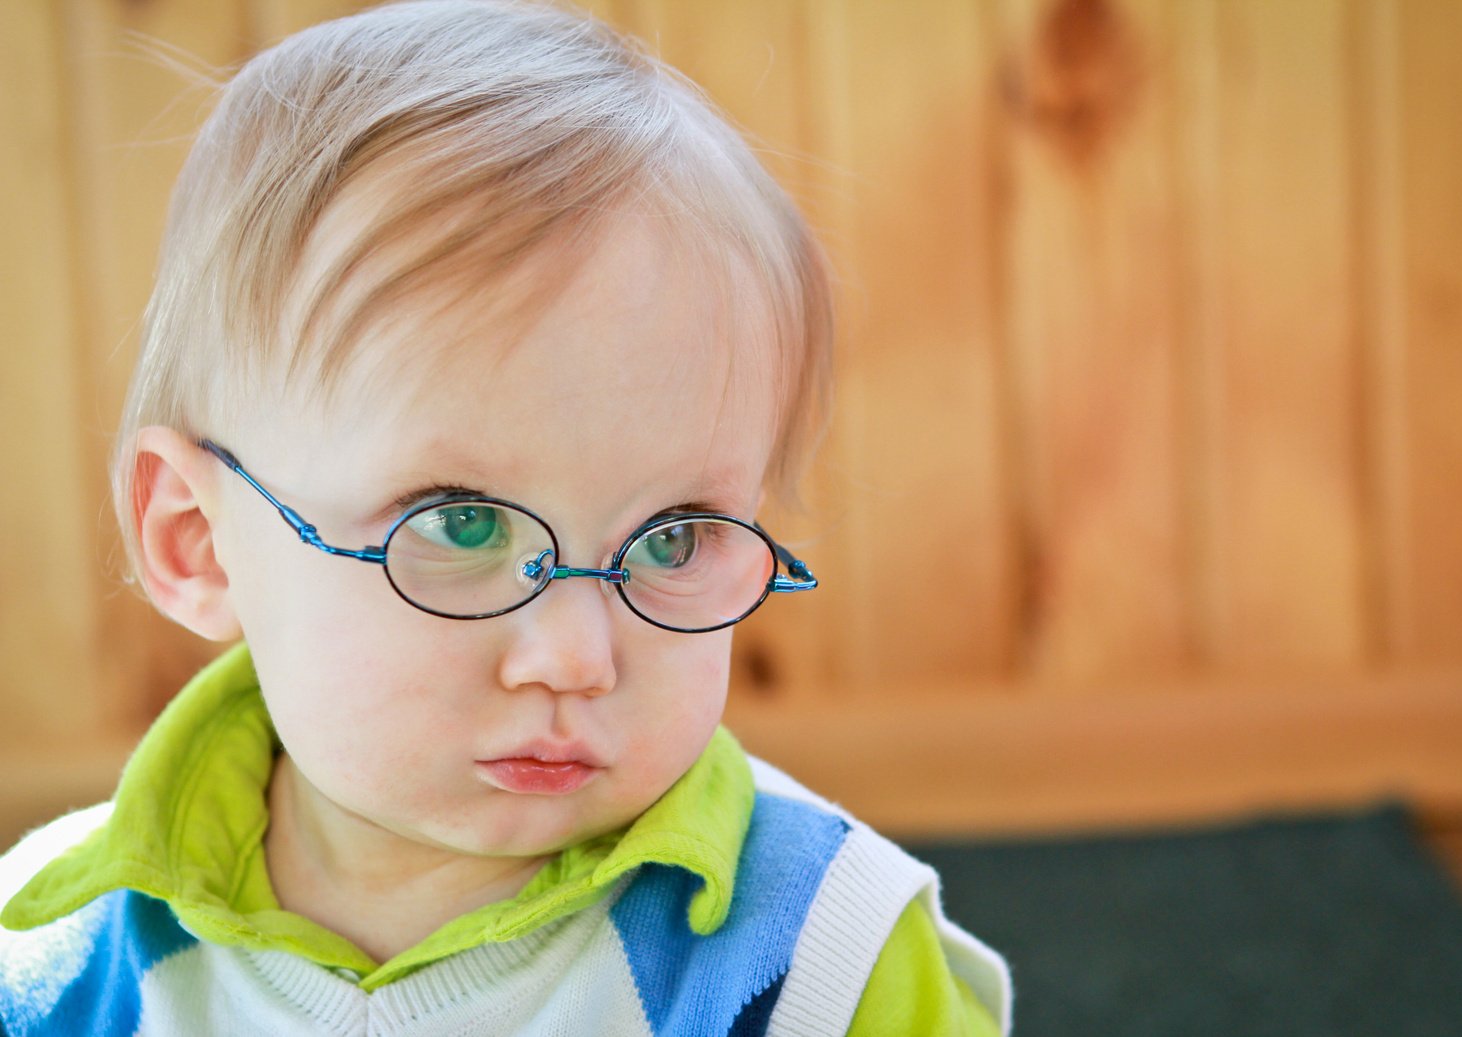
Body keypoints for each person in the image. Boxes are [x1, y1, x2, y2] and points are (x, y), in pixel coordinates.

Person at [0, 1, 1012, 1033]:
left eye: (670, 538)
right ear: (198, 539)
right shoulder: (49, 952)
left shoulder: (815, 956)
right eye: (464, 525)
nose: (575, 657)